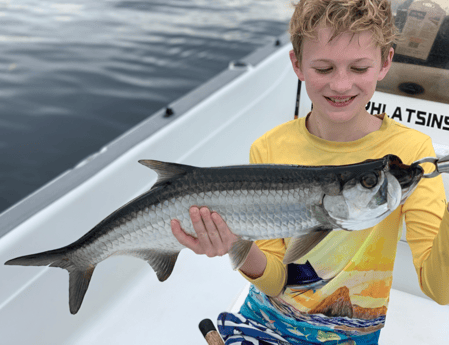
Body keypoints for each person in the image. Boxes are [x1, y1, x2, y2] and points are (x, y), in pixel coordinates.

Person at [171, 0, 449, 344]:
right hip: (266, 317)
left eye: (359, 68)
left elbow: (440, 290)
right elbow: (275, 281)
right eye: (324, 68)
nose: (342, 84)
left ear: (385, 63)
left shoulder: (411, 153)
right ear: (297, 64)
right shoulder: (270, 147)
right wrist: (235, 245)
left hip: (349, 334)